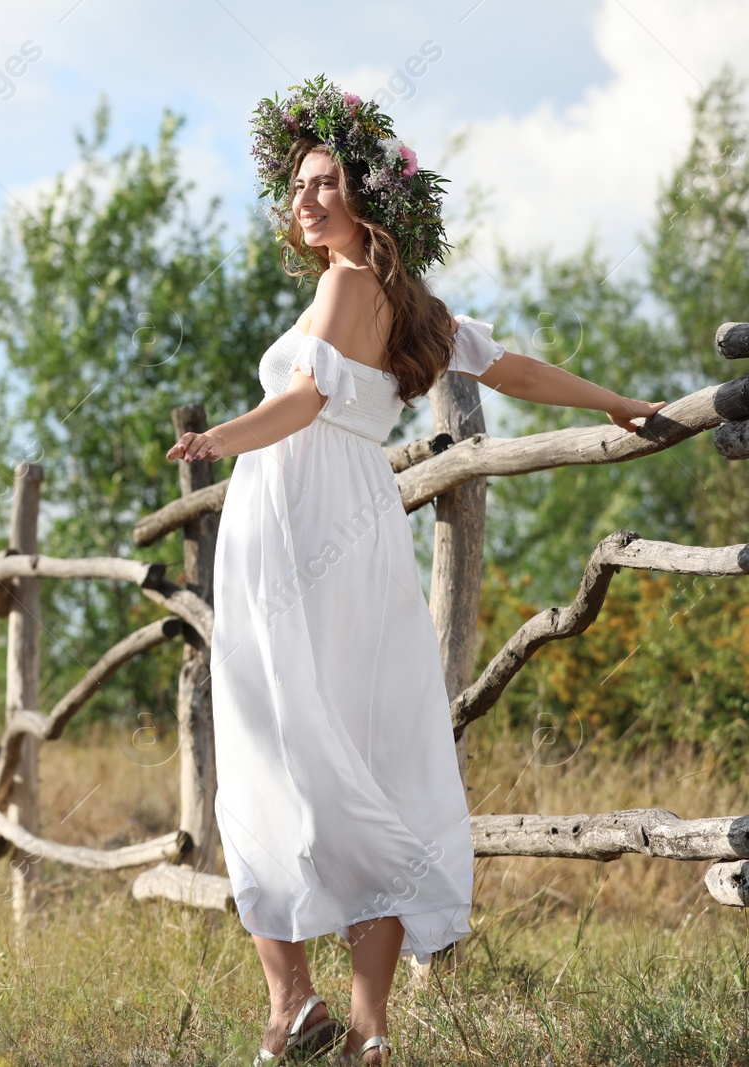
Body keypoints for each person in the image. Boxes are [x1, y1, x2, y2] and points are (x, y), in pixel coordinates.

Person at [165, 76, 667, 1066]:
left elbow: (304, 402)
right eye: (299, 184)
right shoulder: (413, 307)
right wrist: (616, 401)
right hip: (358, 521)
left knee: (273, 746)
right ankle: (364, 1028)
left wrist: (222, 437)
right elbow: (509, 368)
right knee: (362, 747)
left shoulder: (343, 284)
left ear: (367, 204)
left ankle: (290, 1004)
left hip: (297, 512)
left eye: (326, 184)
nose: (305, 200)